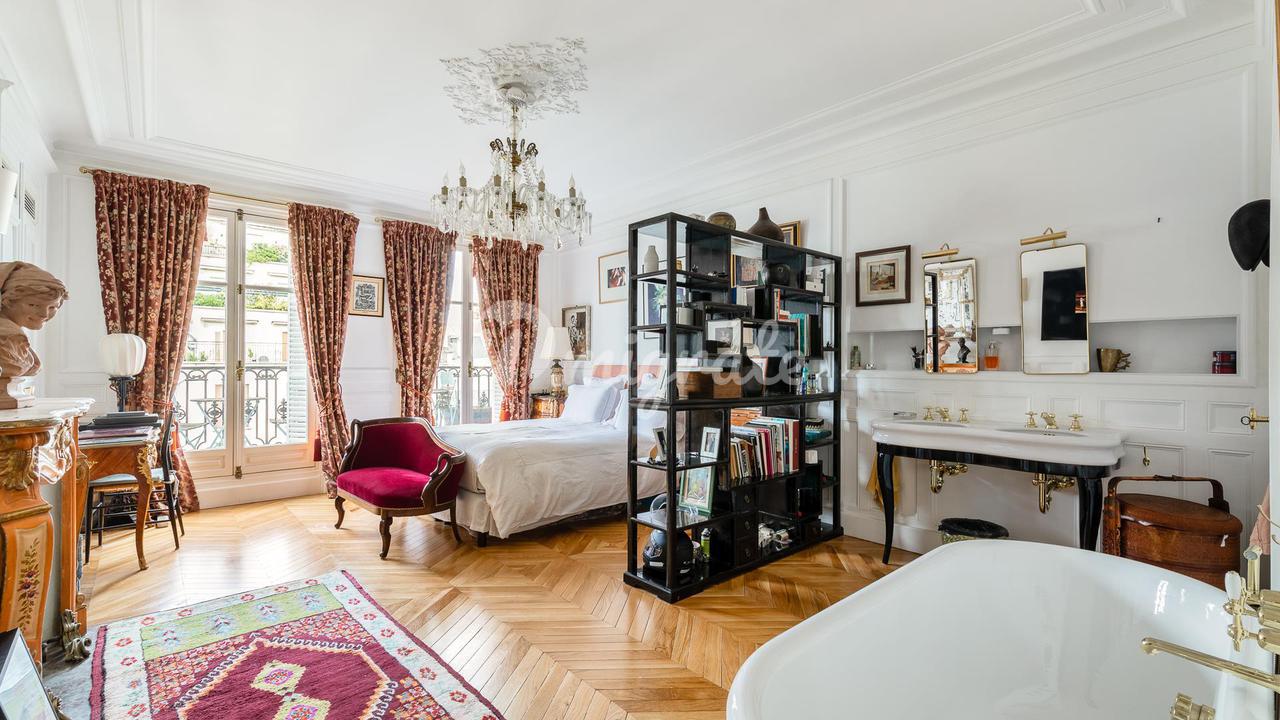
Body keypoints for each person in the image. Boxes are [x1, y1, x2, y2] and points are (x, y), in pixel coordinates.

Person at [0, 262, 69, 378]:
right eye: (34, 305)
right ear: (6, 301)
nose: (44, 314)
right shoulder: (7, 338)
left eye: (52, 307)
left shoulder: (16, 341)